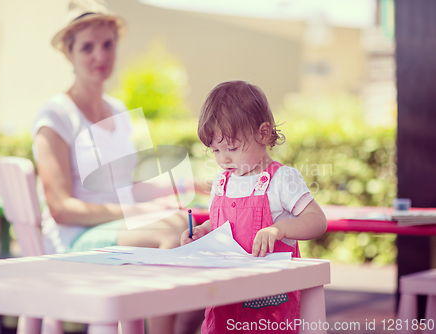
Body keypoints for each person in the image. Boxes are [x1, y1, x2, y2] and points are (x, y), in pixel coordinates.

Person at [32, 1, 204, 333]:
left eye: (108, 44)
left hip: (115, 230)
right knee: (172, 231)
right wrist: (137, 210)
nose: (101, 55)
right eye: (87, 47)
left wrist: (187, 186)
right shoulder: (55, 116)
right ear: (68, 54)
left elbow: (127, 186)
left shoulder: (117, 109)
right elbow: (61, 209)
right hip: (73, 241)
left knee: (193, 223)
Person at [180, 81, 328, 334]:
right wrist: (204, 231)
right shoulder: (222, 181)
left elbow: (317, 220)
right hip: (223, 296)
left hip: (268, 302)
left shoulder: (282, 179)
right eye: (215, 150)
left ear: (263, 133)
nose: (223, 159)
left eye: (232, 148)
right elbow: (222, 226)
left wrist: (279, 230)